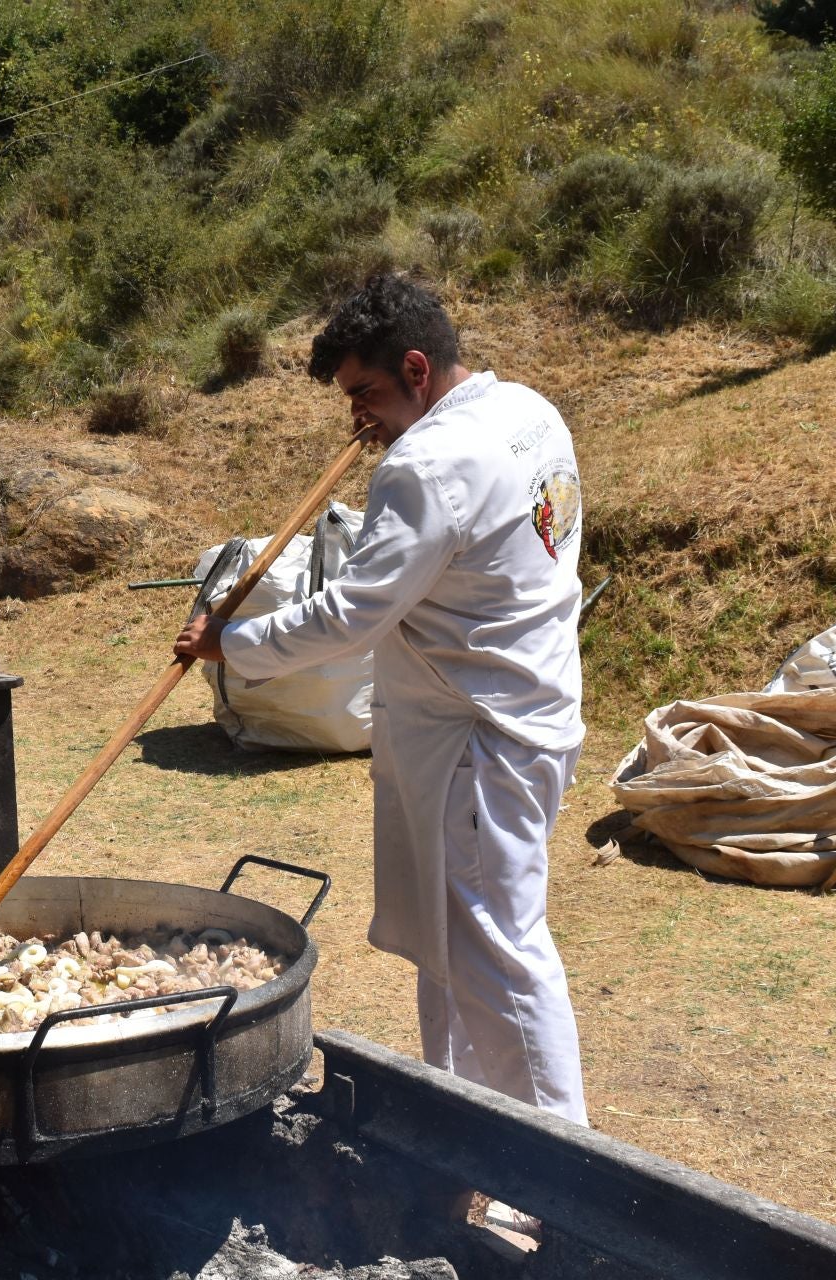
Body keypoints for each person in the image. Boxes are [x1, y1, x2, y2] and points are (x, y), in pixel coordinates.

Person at [174, 275, 588, 1133]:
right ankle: (468, 1126)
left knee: (499, 950)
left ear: (416, 368)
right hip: (517, 708)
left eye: (366, 394)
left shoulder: (429, 463)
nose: (357, 420)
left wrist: (230, 643)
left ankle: (563, 1167)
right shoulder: (525, 409)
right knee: (455, 945)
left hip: (477, 736)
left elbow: (350, 614)